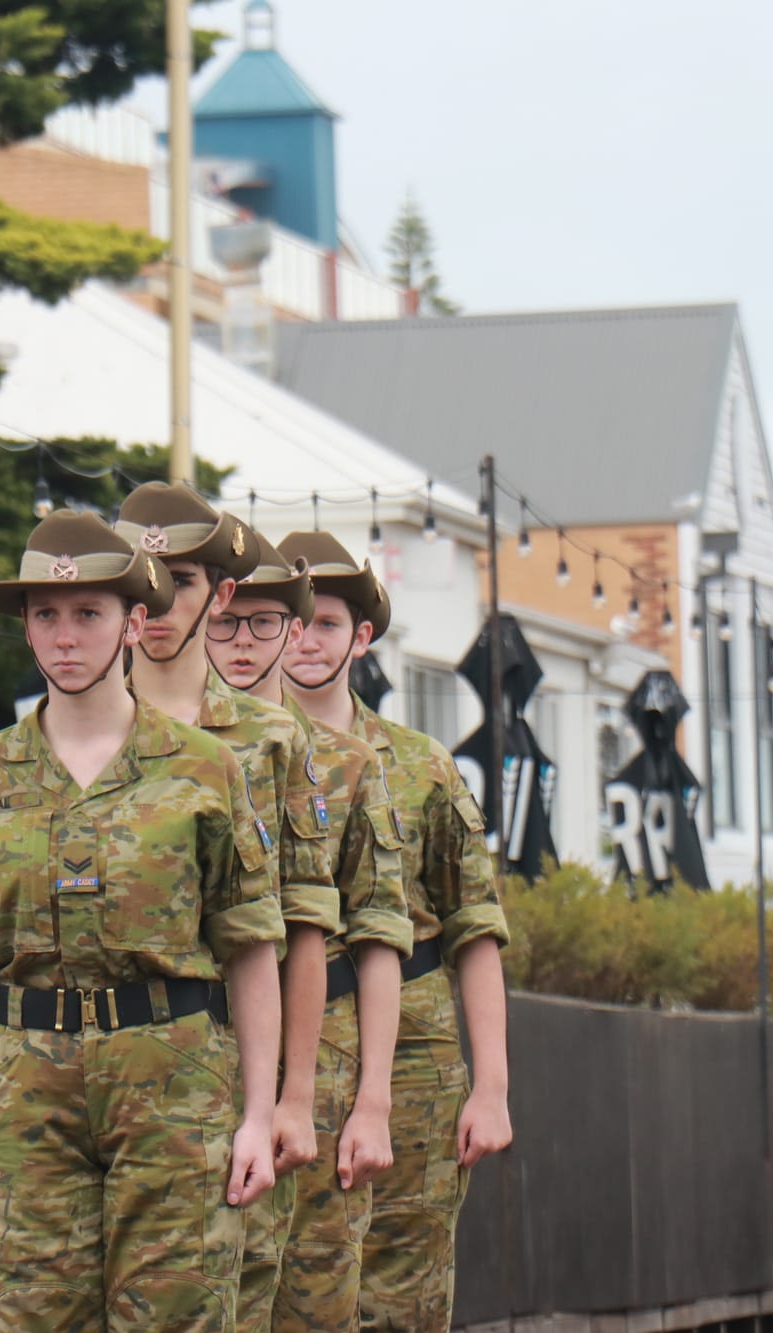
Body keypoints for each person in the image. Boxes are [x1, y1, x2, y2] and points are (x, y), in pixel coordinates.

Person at [0, 512, 285, 1332]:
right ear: (23, 625)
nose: (65, 636)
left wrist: (258, 1117)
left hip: (174, 1078)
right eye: (46, 615)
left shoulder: (203, 767)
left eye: (88, 613)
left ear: (132, 622)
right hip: (24, 1091)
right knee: (34, 1316)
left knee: (179, 1314)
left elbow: (252, 946)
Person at [110, 484, 337, 1329]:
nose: (160, 598)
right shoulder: (77, 733)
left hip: (224, 1060)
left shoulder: (271, 740)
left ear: (223, 593)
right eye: (145, 575)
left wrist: (292, 1095)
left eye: (183, 578)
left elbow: (300, 928)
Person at [276, 531, 515, 1333]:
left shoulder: (421, 768)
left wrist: (492, 1087)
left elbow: (473, 932)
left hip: (411, 1056)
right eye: (293, 619)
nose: (306, 639)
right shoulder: (222, 759)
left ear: (363, 637)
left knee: (400, 1292)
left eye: (327, 623)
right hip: (279, 1045)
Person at [205, 532, 412, 1331]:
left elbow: (379, 940)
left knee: (312, 1301)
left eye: (271, 624)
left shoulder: (346, 766)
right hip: (186, 1068)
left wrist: (371, 1103)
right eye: (230, 623)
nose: (248, 643)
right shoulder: (154, 757)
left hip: (314, 1072)